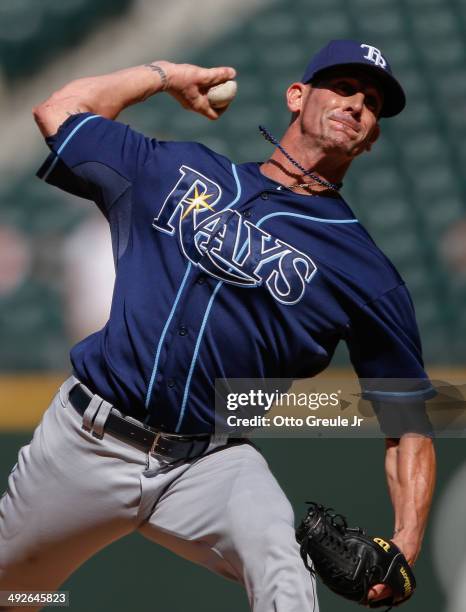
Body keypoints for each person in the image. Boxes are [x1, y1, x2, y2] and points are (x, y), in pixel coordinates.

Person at [0, 40, 436, 611]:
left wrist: (402, 546)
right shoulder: (177, 169)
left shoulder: (365, 272)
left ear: (371, 137)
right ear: (296, 96)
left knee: (286, 575)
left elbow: (408, 421)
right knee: (15, 594)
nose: (358, 104)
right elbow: (59, 111)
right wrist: (164, 74)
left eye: (373, 103)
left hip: (209, 462)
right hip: (89, 441)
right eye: (344, 87)